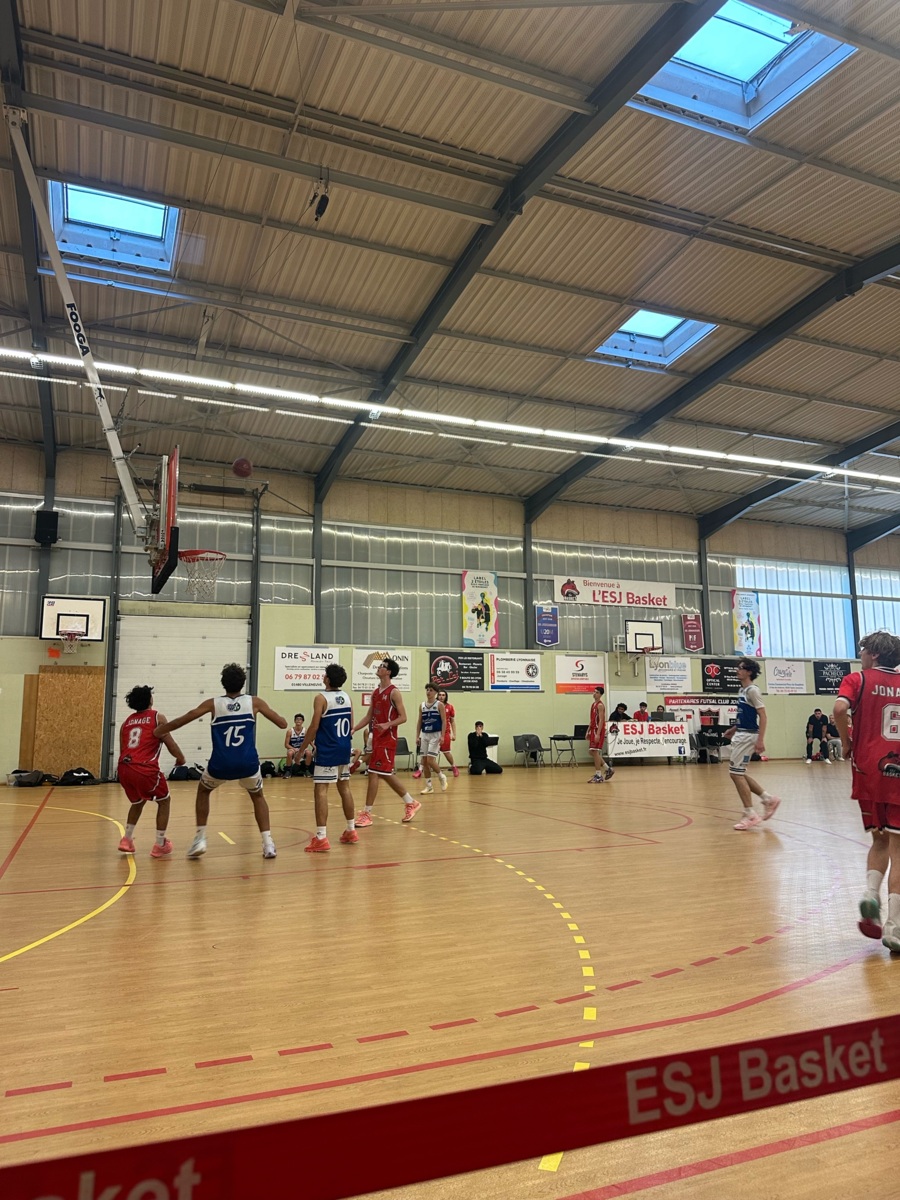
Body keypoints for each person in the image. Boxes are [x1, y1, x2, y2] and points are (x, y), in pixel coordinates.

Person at [155, 662, 287, 860]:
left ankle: (200, 838)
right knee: (258, 796)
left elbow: (184, 719)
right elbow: (282, 724)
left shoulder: (212, 704)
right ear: (243, 683)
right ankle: (268, 844)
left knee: (203, 791)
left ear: (223, 683)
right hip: (248, 764)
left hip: (221, 764)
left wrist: (159, 731)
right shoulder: (254, 702)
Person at [832, 630, 900, 949]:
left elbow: (839, 709)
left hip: (867, 771)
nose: (859, 656)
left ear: (873, 653)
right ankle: (894, 927)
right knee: (899, 848)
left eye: (862, 651)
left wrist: (846, 742)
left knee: (879, 838)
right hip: (897, 770)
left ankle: (871, 895)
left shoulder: (857, 679)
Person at [117, 685, 185, 858]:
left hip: (124, 768)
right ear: (150, 700)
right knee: (164, 801)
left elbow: (123, 749)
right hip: (144, 768)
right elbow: (170, 743)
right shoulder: (157, 718)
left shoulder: (126, 723)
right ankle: (160, 843)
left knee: (138, 801)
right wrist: (180, 758)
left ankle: (126, 839)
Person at [295, 663, 357, 852]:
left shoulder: (321, 698)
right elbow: (351, 725)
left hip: (328, 749)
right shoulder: (347, 697)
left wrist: (301, 750)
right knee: (344, 788)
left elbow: (314, 727)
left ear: (328, 679)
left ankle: (321, 837)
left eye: (325, 675)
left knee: (321, 790)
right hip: (344, 747)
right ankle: (351, 830)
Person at [351, 657, 420, 825]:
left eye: (382, 666)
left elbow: (403, 717)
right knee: (380, 773)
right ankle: (410, 802)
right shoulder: (376, 692)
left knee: (377, 773)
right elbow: (369, 716)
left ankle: (368, 813)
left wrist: (387, 724)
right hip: (376, 738)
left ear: (388, 672)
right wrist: (354, 729)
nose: (379, 667)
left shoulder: (394, 692)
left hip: (388, 739)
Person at [725, 658, 781, 831]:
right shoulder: (742, 690)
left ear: (749, 672)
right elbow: (745, 715)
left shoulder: (753, 691)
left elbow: (763, 716)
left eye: (741, 668)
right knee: (738, 773)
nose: (737, 670)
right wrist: (734, 729)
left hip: (748, 736)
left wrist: (760, 740)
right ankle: (768, 799)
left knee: (736, 774)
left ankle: (750, 813)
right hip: (741, 733)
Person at [416, 683, 448, 796]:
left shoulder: (439, 705)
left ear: (435, 693)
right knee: (424, 762)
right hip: (425, 734)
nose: (428, 692)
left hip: (436, 734)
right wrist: (417, 736)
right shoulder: (422, 705)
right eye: (427, 690)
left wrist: (442, 736)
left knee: (430, 760)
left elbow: (444, 721)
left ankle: (441, 776)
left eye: (431, 690)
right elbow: (419, 722)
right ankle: (429, 786)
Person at [587, 685, 613, 784]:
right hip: (593, 729)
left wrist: (598, 734)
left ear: (601, 694)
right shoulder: (593, 705)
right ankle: (608, 769)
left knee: (594, 751)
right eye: (594, 692)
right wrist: (588, 731)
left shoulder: (600, 705)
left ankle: (598, 775)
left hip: (598, 730)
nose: (594, 693)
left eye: (597, 692)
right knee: (592, 752)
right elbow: (592, 720)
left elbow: (601, 720)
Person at [437, 688, 460, 777]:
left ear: (446, 696)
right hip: (434, 732)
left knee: (446, 752)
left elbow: (452, 722)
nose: (441, 697)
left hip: (446, 733)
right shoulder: (433, 706)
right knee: (428, 753)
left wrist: (454, 734)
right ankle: (421, 769)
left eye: (443, 695)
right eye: (440, 695)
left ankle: (453, 766)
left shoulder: (449, 707)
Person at [284, 713, 313, 777]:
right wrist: (294, 749)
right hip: (293, 748)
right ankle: (288, 771)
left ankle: (307, 770)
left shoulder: (305, 730)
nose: (298, 720)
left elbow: (309, 740)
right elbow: (286, 745)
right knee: (289, 753)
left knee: (309, 753)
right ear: (294, 721)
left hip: (302, 748)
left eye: (300, 719)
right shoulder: (290, 731)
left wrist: (314, 746)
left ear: (302, 721)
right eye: (297, 719)